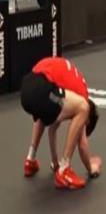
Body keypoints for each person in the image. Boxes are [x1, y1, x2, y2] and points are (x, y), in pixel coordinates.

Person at [20, 57, 101, 189]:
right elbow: (82, 144)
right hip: (42, 89)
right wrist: (91, 168)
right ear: (88, 120)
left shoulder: (63, 95)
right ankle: (65, 169)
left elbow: (52, 128)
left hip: (27, 89)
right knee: (82, 108)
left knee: (46, 111)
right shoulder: (83, 96)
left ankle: (30, 160)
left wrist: (54, 162)